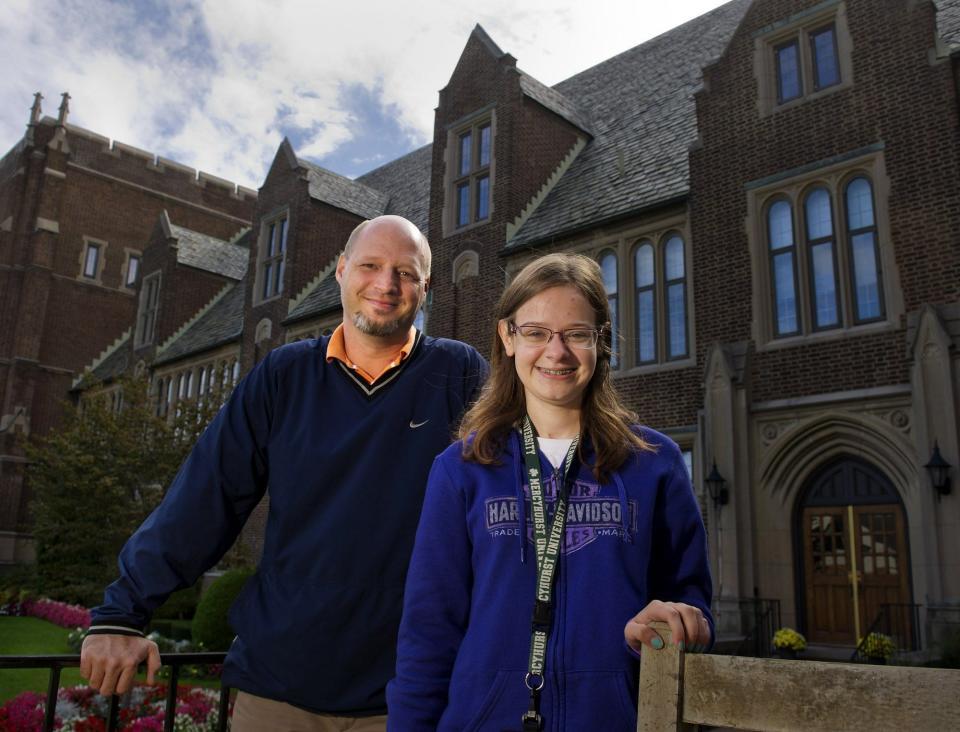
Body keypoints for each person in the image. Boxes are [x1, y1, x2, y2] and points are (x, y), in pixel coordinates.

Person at [80, 215, 488, 730]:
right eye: (370, 266)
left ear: (426, 288)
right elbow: (207, 495)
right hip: (279, 690)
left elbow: (523, 496)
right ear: (340, 271)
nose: (387, 285)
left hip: (411, 694)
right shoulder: (283, 374)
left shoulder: (460, 372)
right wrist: (123, 612)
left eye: (406, 273)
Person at [386, 253, 713, 731]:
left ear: (600, 342)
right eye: (536, 333)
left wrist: (681, 622)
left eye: (576, 334)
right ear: (508, 337)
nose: (555, 352)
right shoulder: (461, 470)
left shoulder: (654, 462)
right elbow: (427, 633)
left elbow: (693, 604)